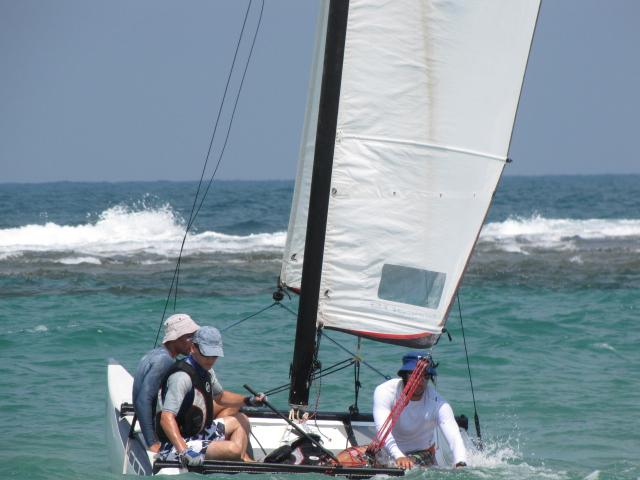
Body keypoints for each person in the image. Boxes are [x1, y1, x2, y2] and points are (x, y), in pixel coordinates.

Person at [155, 326, 265, 467]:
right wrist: (184, 451)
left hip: (199, 433)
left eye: (214, 355)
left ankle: (242, 460)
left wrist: (248, 401)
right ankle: (241, 459)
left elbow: (220, 396)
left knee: (242, 419)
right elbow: (166, 418)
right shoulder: (181, 378)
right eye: (206, 354)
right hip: (177, 444)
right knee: (233, 449)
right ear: (193, 348)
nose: (211, 360)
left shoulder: (206, 370)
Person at [372, 352, 467, 469]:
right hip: (389, 451)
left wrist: (460, 462)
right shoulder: (384, 392)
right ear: (404, 375)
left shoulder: (439, 403)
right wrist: (399, 456)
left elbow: (454, 437)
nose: (420, 380)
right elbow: (382, 430)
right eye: (415, 374)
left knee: (407, 466)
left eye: (425, 376)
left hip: (422, 453)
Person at [132, 313, 199, 453]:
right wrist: (152, 442)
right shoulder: (165, 361)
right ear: (175, 339)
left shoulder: (155, 353)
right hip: (155, 434)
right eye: (189, 337)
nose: (193, 343)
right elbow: (143, 400)